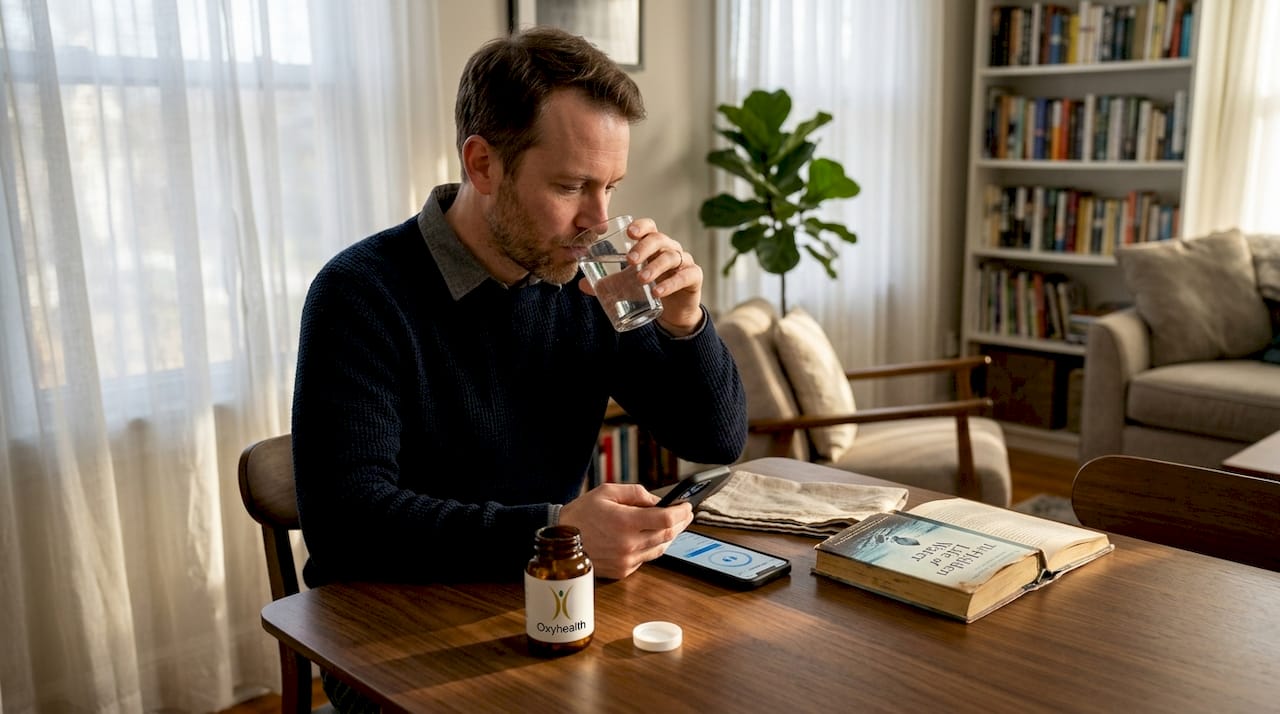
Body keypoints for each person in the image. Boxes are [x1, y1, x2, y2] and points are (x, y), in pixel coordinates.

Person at [291, 25, 748, 597]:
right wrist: (552, 533)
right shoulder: (360, 292)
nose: (596, 219)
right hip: (387, 617)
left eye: (611, 187)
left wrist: (685, 324)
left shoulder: (588, 279)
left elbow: (714, 441)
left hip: (546, 595)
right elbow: (346, 526)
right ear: (482, 165)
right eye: (570, 186)